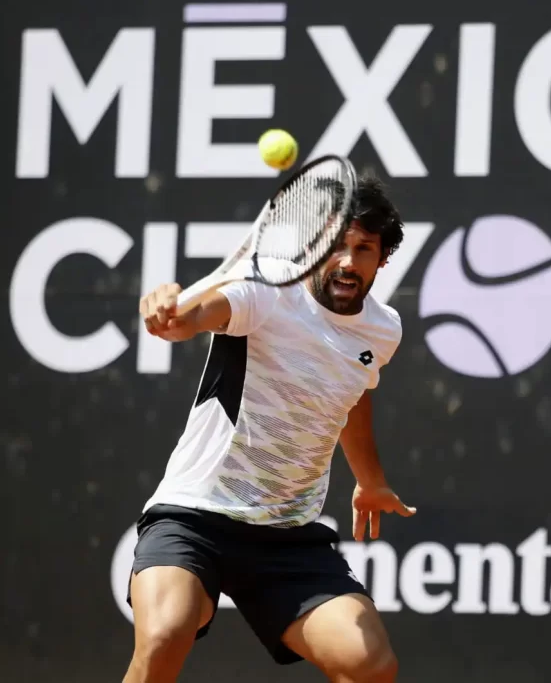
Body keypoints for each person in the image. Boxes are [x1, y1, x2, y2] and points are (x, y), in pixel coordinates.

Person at [125, 174, 415, 683]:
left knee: (370, 666)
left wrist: (370, 480)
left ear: (382, 259)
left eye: (364, 249)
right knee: (164, 634)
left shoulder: (382, 329)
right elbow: (205, 312)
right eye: (336, 246)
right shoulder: (267, 291)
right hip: (196, 515)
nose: (348, 262)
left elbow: (351, 395)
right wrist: (180, 317)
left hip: (287, 533)